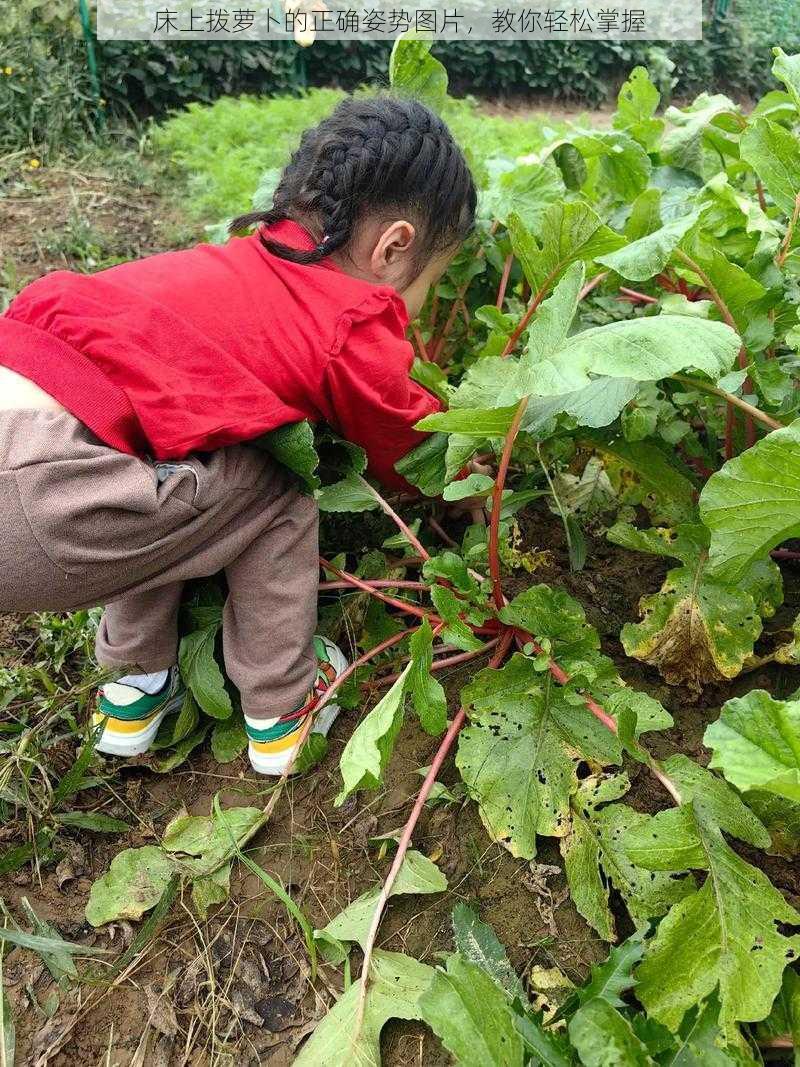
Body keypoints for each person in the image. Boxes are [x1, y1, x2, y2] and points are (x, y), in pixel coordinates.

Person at [0, 95, 477, 775]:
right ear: (394, 247)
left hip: (24, 418)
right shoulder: (348, 316)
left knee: (163, 452)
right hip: (40, 496)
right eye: (431, 280)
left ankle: (132, 694)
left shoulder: (234, 268)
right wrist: (471, 488)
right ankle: (283, 709)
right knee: (277, 483)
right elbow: (413, 446)